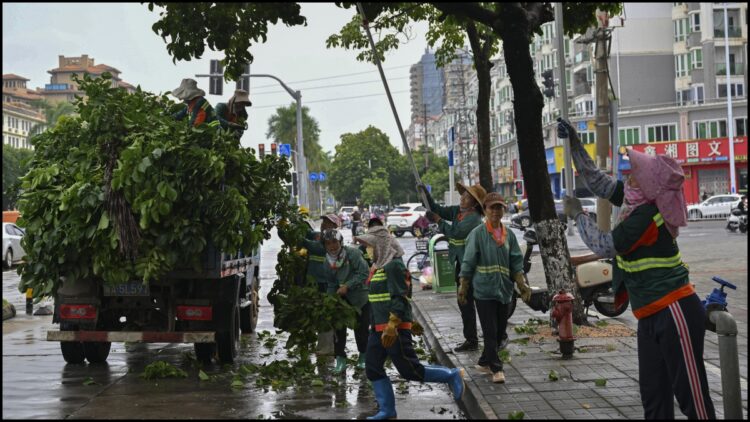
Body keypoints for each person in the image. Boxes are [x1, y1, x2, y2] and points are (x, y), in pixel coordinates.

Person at [558, 118, 716, 420]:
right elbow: (599, 182)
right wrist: (576, 145)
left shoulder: (644, 216)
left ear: (646, 188)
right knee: (654, 400)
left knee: (692, 399)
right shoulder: (636, 202)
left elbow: (605, 245)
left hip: (674, 311)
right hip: (649, 315)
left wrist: (578, 215)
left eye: (634, 177)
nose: (628, 179)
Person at [355, 226, 464, 420]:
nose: (367, 249)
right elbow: (379, 299)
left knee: (410, 370)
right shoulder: (377, 266)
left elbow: (400, 295)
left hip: (392, 328)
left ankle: (451, 375)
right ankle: (387, 411)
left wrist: (394, 324)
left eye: (370, 245)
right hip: (378, 328)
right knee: (372, 368)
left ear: (380, 245)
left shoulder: (394, 265)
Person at [459, 193, 531, 384]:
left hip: (504, 291)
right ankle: (496, 369)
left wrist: (521, 283)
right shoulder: (477, 234)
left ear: (503, 210)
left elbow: (516, 261)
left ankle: (484, 361)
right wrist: (463, 286)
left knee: (500, 333)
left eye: (499, 207)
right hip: (483, 291)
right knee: (490, 331)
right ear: (485, 210)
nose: (495, 211)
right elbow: (468, 262)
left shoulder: (509, 235)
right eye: (492, 208)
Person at [417, 182, 488, 353]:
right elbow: (438, 209)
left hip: (471, 265)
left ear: (475, 203)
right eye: (463, 195)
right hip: (460, 262)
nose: (463, 198)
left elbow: (455, 233)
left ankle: (476, 339)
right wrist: (426, 195)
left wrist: (438, 221)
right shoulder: (458, 212)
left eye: (467, 197)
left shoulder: (474, 219)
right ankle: (470, 338)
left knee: (470, 301)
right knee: (464, 302)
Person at [317, 229, 370, 373]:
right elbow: (331, 283)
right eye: (328, 244)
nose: (332, 246)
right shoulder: (327, 262)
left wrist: (348, 285)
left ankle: (364, 357)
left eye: (334, 242)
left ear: (340, 242)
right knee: (338, 330)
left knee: (361, 329)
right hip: (341, 300)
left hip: (360, 297)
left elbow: (364, 273)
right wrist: (329, 299)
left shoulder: (352, 254)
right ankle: (340, 359)